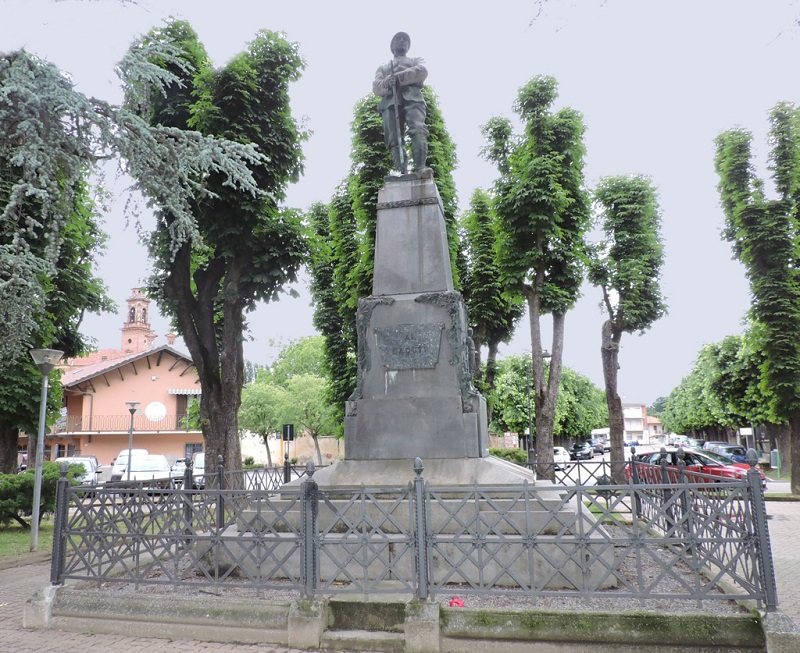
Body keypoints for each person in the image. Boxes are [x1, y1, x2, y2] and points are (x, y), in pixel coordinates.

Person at [373, 32, 430, 175]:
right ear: (392, 46)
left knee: (418, 129)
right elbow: (376, 86)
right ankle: (401, 172)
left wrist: (397, 78)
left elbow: (421, 71)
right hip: (390, 102)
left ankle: (420, 168)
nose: (403, 41)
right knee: (394, 138)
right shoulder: (383, 67)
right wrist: (387, 82)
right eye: (399, 39)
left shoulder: (415, 60)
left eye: (406, 40)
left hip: (413, 98)